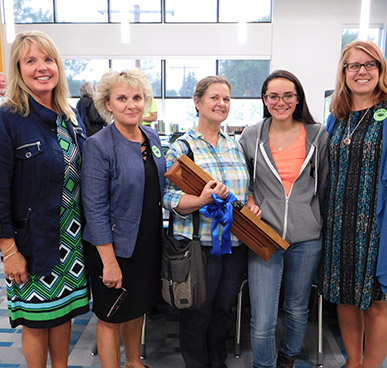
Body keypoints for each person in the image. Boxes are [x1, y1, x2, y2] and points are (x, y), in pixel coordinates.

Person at [0, 30, 89, 367]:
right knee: (37, 319)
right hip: (31, 241)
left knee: (64, 314)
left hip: (72, 238)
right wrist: (9, 250)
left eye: (48, 59)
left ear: (58, 66)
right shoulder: (8, 119)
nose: (41, 67)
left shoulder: (69, 116)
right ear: (18, 70)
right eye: (30, 61)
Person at [163, 75, 260, 368]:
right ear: (198, 102)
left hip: (234, 243)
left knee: (224, 310)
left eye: (226, 99)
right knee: (197, 312)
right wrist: (202, 200)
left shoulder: (236, 145)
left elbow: (248, 188)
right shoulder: (183, 146)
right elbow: (169, 197)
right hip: (197, 247)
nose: (221, 104)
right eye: (214, 98)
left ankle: (217, 362)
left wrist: (252, 204)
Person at [239, 70, 329, 368]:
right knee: (263, 317)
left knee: (296, 307)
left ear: (298, 98)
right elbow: (244, 181)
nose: (281, 102)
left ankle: (288, 357)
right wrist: (250, 198)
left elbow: (324, 184)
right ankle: (264, 365)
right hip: (265, 236)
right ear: (264, 100)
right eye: (273, 96)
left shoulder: (317, 135)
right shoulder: (252, 135)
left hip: (307, 238)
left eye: (288, 95)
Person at [82, 68, 166, 368]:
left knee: (138, 308)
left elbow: (159, 186)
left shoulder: (151, 136)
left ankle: (133, 362)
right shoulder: (98, 145)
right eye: (122, 98)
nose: (131, 104)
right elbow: (94, 208)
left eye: (137, 97)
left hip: (147, 243)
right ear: (108, 104)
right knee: (111, 316)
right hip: (114, 248)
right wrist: (108, 261)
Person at [320, 40, 387, 368]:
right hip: (338, 224)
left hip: (376, 225)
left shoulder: (386, 114)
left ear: (380, 69)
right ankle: (353, 362)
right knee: (344, 298)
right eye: (354, 66)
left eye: (369, 64)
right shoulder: (336, 118)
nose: (362, 71)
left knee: (376, 303)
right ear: (344, 73)